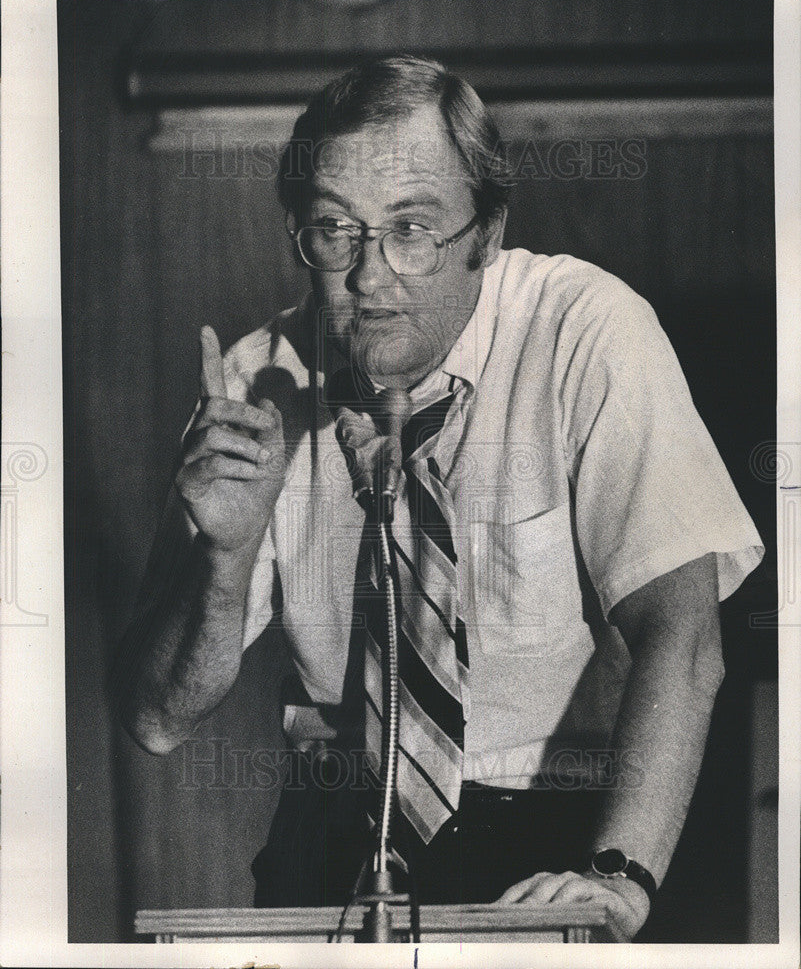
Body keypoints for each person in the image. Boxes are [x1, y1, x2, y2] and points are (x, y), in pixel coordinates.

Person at [115, 56, 763, 940]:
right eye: (334, 231)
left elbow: (683, 637)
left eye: (410, 229)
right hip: (332, 837)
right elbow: (155, 719)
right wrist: (221, 560)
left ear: (486, 231)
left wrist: (618, 875)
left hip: (556, 838)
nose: (370, 276)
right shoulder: (254, 382)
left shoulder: (585, 332)